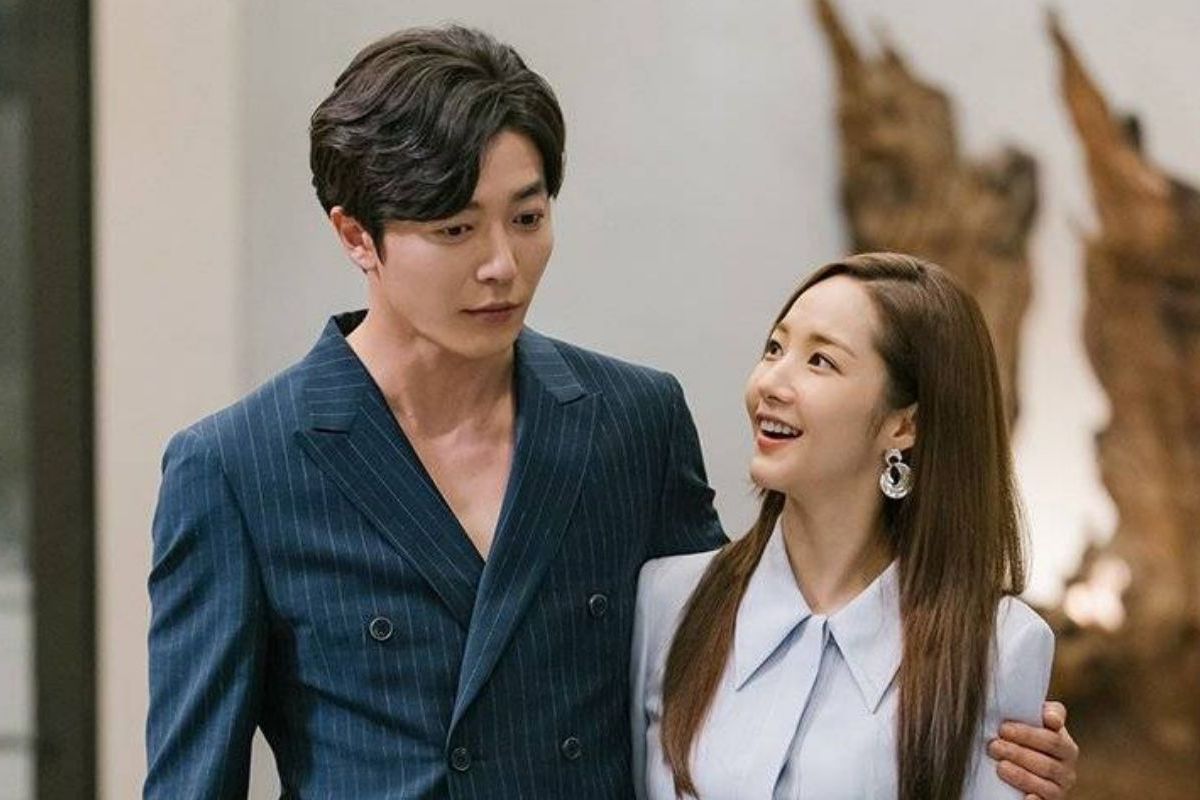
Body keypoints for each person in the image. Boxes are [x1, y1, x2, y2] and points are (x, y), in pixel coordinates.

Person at [145, 26, 1077, 799]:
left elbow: (735, 672)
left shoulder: (632, 421)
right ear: (357, 235)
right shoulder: (236, 469)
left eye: (527, 217)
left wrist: (987, 743)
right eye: (456, 229)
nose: (503, 265)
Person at [632, 253, 1076, 799]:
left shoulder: (1000, 647)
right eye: (774, 348)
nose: (771, 382)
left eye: (820, 361)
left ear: (904, 425)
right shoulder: (668, 602)